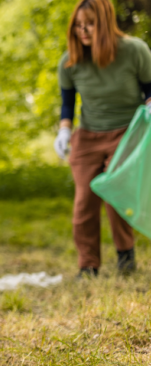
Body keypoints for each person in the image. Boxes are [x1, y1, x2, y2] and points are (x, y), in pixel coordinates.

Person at [55, 0, 150, 277]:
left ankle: (125, 255)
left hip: (127, 132)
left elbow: (149, 88)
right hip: (87, 135)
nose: (83, 30)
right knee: (84, 200)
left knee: (114, 193)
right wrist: (63, 130)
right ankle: (88, 266)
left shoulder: (134, 51)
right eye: (78, 25)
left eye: (90, 24)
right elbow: (67, 104)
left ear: (106, 23)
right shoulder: (70, 61)